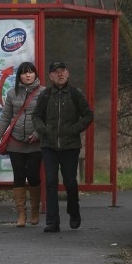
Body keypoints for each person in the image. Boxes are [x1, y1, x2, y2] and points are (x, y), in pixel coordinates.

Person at [31, 61, 94, 233]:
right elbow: (36, 116)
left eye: (63, 71)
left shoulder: (75, 94)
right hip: (49, 146)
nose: (60, 74)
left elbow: (88, 116)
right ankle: (52, 221)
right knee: (50, 181)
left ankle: (74, 211)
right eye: (56, 72)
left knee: (70, 182)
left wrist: (74, 130)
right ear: (50, 76)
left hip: (70, 146)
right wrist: (43, 130)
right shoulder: (45, 95)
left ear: (68, 73)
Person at [0, 61, 43, 227]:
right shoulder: (12, 93)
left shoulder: (44, 93)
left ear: (35, 74)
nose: (28, 75)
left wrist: (38, 133)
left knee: (33, 176)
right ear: (19, 75)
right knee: (19, 176)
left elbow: (48, 117)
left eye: (31, 72)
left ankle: (34, 209)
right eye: (24, 72)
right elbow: (5, 117)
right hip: (15, 141)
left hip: (35, 142)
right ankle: (21, 213)